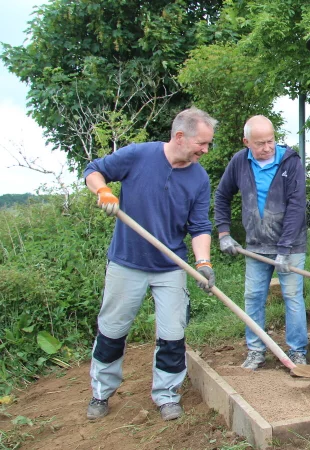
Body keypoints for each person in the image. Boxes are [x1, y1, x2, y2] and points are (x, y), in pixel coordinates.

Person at [84, 107, 218, 421]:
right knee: (112, 331)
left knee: (173, 334)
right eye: (203, 143)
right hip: (127, 262)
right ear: (180, 136)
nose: (206, 150)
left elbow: (199, 227)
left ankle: (167, 395)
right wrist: (103, 190)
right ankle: (101, 393)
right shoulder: (137, 156)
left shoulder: (199, 177)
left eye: (209, 144)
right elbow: (93, 170)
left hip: (171, 266)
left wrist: (203, 263)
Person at [215, 115, 308, 369]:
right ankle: (256, 350)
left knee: (292, 296)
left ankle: (297, 351)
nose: (267, 148)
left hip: (290, 246)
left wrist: (285, 249)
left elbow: (297, 206)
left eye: (271, 141)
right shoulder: (239, 163)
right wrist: (224, 233)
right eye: (260, 143)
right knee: (254, 297)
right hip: (256, 244)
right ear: (247, 142)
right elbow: (222, 195)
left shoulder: (291, 162)